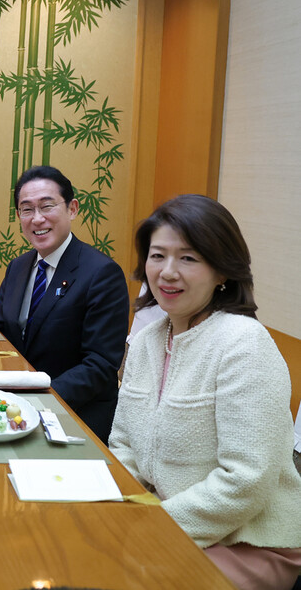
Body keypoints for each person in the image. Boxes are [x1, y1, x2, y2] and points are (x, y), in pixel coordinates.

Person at [109, 194, 301, 590]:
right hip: (161, 518)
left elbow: (246, 481)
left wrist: (150, 528)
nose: (167, 272)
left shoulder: (244, 344)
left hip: (249, 542)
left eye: (189, 258)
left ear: (222, 272)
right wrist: (118, 511)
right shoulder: (147, 340)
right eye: (157, 255)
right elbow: (123, 444)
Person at [0, 165, 129, 443]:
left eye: (47, 206)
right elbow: (1, 333)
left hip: (73, 414)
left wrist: (39, 398)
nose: (37, 219)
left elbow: (100, 365)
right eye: (27, 209)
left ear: (72, 209)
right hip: (17, 409)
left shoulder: (102, 273)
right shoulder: (18, 267)